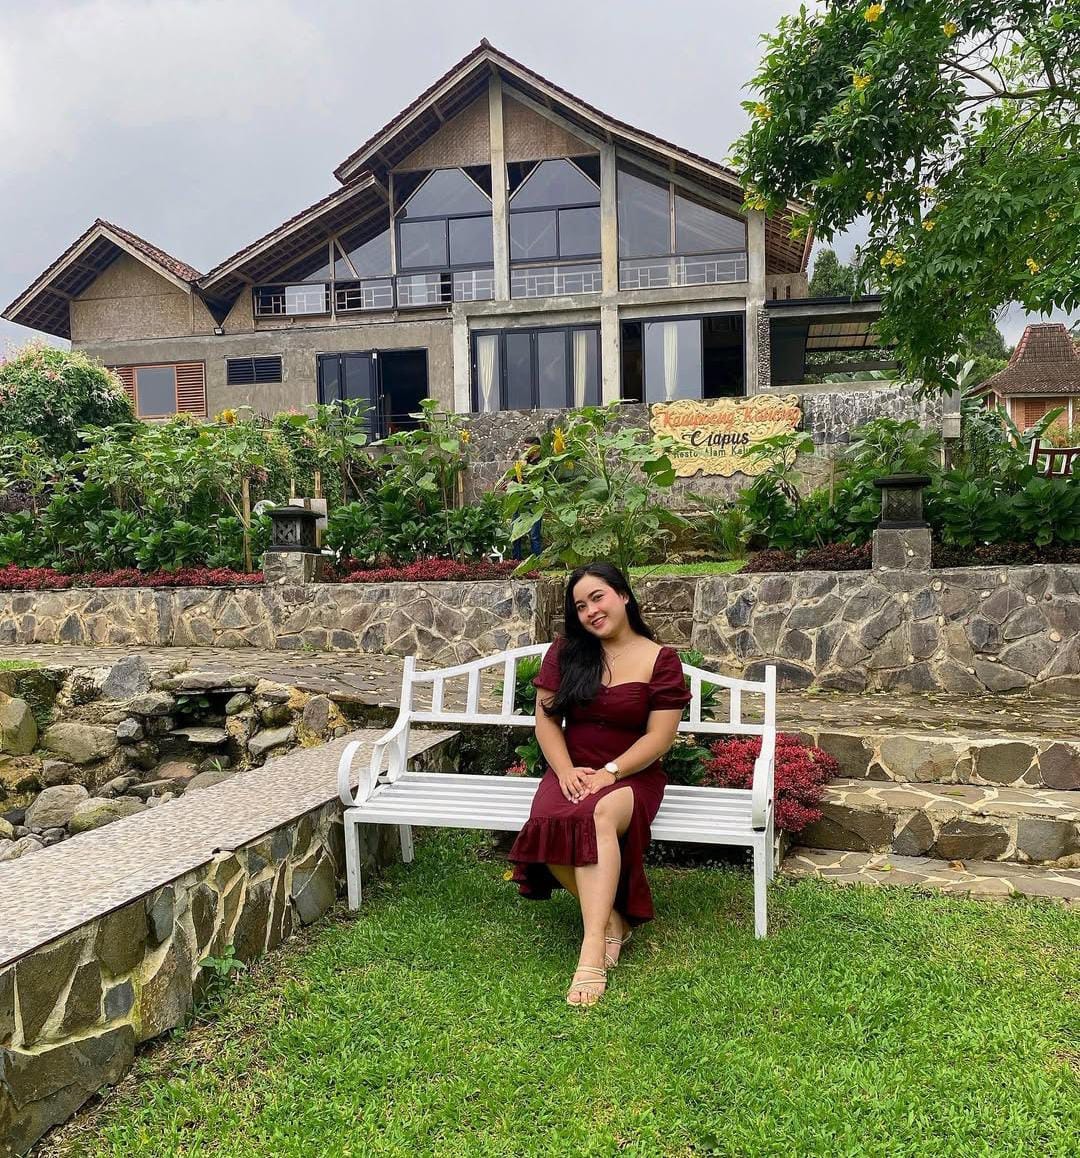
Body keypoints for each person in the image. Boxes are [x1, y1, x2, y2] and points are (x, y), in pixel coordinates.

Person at [506, 562, 691, 1006]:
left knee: (598, 814)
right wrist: (566, 771)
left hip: (632, 775)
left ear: (623, 595)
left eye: (598, 597)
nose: (590, 611)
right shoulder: (566, 653)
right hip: (572, 770)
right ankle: (611, 921)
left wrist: (611, 771)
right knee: (549, 823)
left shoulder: (660, 660)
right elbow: (547, 723)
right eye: (580, 606)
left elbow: (660, 737)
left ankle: (591, 952)